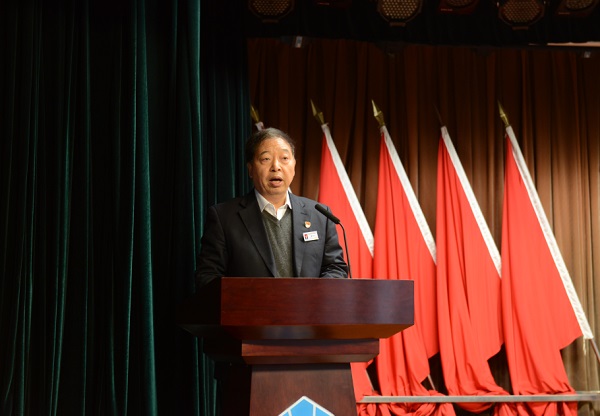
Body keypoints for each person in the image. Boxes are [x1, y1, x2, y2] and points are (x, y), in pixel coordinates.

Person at [195, 127, 348, 288]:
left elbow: (335, 268)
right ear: (250, 169)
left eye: (284, 158)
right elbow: (207, 276)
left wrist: (314, 295)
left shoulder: (320, 215)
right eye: (266, 159)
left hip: (308, 304)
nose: (276, 166)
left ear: (294, 166)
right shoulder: (224, 217)